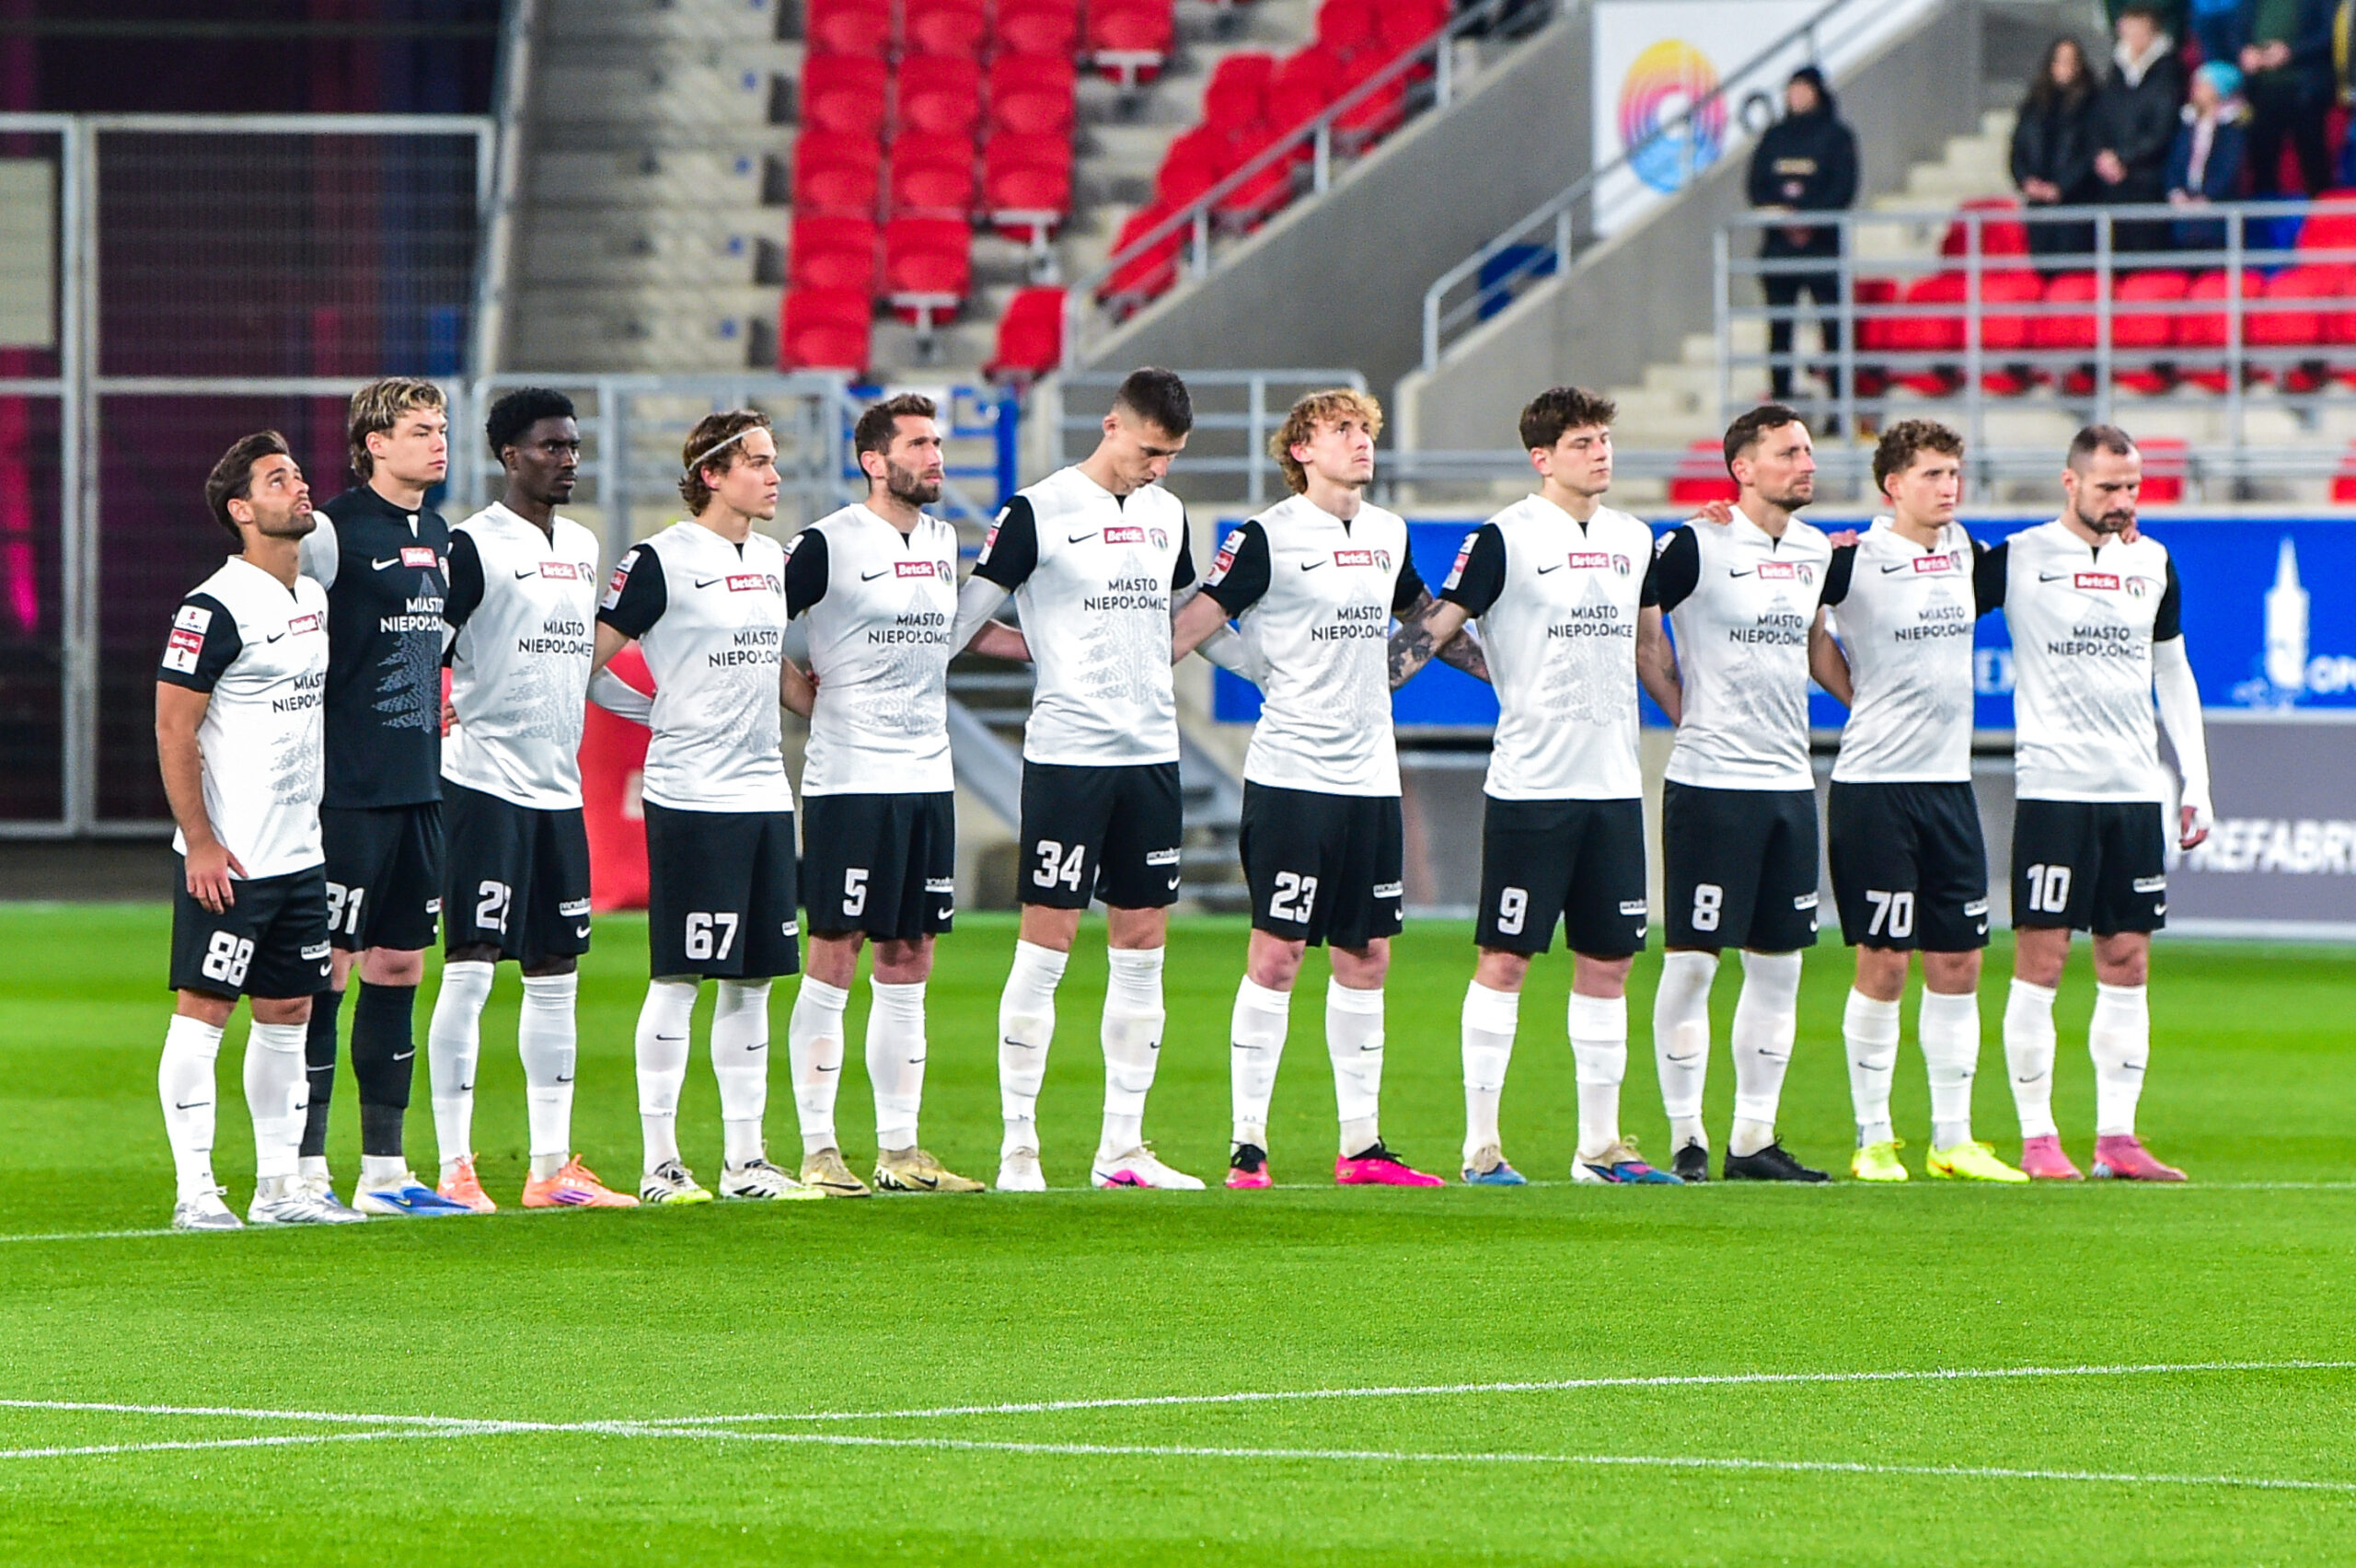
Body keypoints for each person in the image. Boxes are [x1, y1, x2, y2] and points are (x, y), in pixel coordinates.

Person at [1170, 388, 1483, 1191]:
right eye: (1341, 430)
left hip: (1370, 779)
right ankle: (1247, 1145)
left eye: (1365, 429)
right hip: (1292, 777)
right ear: (1300, 450)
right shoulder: (1265, 537)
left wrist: (1505, 671)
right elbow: (1197, 624)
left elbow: (1425, 621)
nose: (1361, 441)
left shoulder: (1387, 533)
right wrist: (1246, 667)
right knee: (1277, 956)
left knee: (1367, 955)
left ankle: (1363, 1146)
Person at [1385, 387, 1683, 1186]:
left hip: (1614, 787)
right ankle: (1481, 1147)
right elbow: (1436, 628)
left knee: (1609, 964)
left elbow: (1650, 650)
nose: (1601, 453)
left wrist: (1691, 721)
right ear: (1541, 458)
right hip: (1531, 788)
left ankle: (1601, 1148)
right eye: (1583, 442)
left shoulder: (1633, 538)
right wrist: (1371, 685)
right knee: (1507, 960)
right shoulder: (1502, 539)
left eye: (1604, 439)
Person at [951, 369, 1212, 1192]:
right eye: (1149, 451)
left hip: (1152, 754)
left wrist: (1271, 671)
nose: (1158, 469)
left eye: (1171, 457)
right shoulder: (1038, 511)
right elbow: (964, 619)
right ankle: (1019, 1147)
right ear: (1111, 427)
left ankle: (1122, 1150)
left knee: (1143, 946)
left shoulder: (1166, 514)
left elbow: (1187, 619)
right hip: (1069, 757)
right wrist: (1029, 647)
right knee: (1048, 942)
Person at [781, 394, 1026, 1196]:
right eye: (918, 444)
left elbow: (960, 629)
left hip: (927, 778)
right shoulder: (826, 543)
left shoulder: (942, 540)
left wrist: (1048, 646)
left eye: (937, 443)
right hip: (851, 782)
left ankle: (900, 1151)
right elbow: (746, 624)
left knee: (910, 953)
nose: (935, 457)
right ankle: (819, 1150)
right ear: (874, 461)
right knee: (836, 950)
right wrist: (806, 698)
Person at [590, 410, 822, 1205]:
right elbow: (586, 662)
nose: (774, 475)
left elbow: (771, 663)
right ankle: (660, 1165)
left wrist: (822, 705)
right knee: (680, 975)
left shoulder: (774, 561)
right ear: (712, 475)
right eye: (758, 462)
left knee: (754, 979)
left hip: (764, 793)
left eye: (774, 460)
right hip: (692, 794)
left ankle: (745, 1162)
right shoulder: (661, 560)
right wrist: (653, 712)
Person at [423, 388, 635, 1212]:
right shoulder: (471, 547)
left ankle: (550, 1171)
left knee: (556, 972)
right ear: (510, 456)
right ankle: (454, 1166)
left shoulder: (581, 546)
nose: (568, 460)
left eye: (573, 446)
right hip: (483, 785)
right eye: (551, 446)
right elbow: (427, 650)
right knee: (471, 969)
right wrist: (433, 708)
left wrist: (659, 713)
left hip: (557, 792)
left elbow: (578, 661)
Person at [1985, 425, 2212, 1182]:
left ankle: (2117, 1138)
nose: (2123, 500)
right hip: (2055, 791)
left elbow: (2172, 672)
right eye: (2109, 486)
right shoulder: (2019, 558)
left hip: (2132, 792)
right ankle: (2038, 1138)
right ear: (2071, 482)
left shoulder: (2152, 561)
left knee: (2127, 957)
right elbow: (1923, 587)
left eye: (2133, 486)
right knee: (2042, 959)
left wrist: (2196, 782)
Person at [156, 432, 364, 1228]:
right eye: (279, 480)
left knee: (289, 1014)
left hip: (299, 855)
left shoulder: (311, 597)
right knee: (204, 1012)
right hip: (231, 860)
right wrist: (202, 842)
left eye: (298, 475)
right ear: (242, 510)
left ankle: (279, 1188)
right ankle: (196, 1191)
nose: (300, 487)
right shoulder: (212, 606)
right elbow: (174, 728)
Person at [1812, 421, 2025, 1184]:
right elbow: (1808, 634)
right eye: (1933, 474)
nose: (1949, 486)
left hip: (1949, 787)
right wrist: (1859, 699)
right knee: (1886, 960)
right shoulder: (1851, 559)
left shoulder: (1967, 552)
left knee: (1960, 959)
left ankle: (1952, 1138)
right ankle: (1873, 1137)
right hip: (1876, 787)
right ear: (1893, 485)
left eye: (1954, 473)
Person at [294, 378, 472, 1217]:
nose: (439, 443)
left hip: (420, 789)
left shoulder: (437, 534)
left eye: (442, 429)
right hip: (348, 792)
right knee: (325, 972)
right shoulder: (331, 533)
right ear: (374, 443)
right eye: (420, 430)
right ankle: (301, 1168)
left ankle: (384, 1171)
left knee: (399, 965)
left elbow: (432, 643)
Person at [1648, 404, 1839, 1184]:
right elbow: (1643, 633)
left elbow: (1817, 641)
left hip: (1789, 786)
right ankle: (1687, 1136)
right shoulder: (1695, 543)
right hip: (1710, 785)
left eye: (1808, 451)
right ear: (1743, 467)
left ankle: (1753, 1140)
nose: (1806, 463)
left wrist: (1869, 705)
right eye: (1789, 452)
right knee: (1694, 965)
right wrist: (1685, 713)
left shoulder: (1816, 549)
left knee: (1779, 969)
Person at [1744, 65, 1859, 408]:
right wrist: (1783, 219)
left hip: (1822, 247)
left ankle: (1839, 406)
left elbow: (1844, 187)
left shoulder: (1837, 136)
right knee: (1780, 328)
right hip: (1780, 249)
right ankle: (1780, 404)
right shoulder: (1775, 137)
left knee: (1833, 328)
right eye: (1791, 90)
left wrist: (1808, 218)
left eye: (1803, 90)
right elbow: (1756, 186)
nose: (1795, 97)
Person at [2095, 6, 2189, 255]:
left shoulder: (2168, 72)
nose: (2132, 38)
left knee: (2147, 254)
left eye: (2139, 31)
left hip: (2149, 179)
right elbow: (2101, 118)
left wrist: (2125, 157)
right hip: (2113, 181)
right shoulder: (2116, 71)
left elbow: (2163, 128)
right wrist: (2104, 156)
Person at [2012, 36, 2104, 264]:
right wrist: (2026, 181)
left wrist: (2062, 186)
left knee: (2072, 267)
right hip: (2038, 205)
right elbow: (2018, 149)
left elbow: (2090, 152)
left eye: (2071, 61)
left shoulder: (2092, 103)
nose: (2065, 67)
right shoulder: (2034, 104)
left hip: (2075, 204)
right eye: (2060, 60)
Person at [2240, 0, 2336, 196]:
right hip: (2262, 90)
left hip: (2305, 90)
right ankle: (2265, 212)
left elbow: (2329, 35)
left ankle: (2322, 210)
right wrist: (2245, 52)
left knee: (2313, 160)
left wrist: (2291, 52)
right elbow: (2235, 30)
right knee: (2263, 163)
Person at [2167, 61, 2252, 249]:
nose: (2196, 89)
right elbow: (2175, 162)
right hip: (2185, 211)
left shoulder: (2233, 127)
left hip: (2218, 215)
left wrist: (2208, 197)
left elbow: (2230, 168)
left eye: (2202, 84)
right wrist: (2176, 191)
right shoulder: (2187, 123)